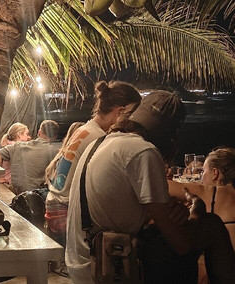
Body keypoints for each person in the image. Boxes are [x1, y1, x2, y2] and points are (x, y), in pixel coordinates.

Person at [66, 90, 235, 284]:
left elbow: (123, 210)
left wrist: (170, 211)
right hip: (107, 268)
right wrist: (196, 209)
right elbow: (180, 244)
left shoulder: (99, 143)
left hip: (80, 262)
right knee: (211, 225)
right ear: (170, 134)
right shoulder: (143, 151)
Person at [45, 81, 141, 246]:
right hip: (65, 216)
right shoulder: (99, 139)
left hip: (54, 207)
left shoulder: (84, 130)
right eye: (133, 114)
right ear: (120, 112)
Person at [168, 146, 235, 283]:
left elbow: (163, 187)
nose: (200, 177)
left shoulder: (215, 193)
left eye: (203, 171)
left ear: (215, 173)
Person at [0, 120, 59, 194]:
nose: (29, 137)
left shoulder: (17, 146)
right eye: (27, 134)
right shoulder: (55, 152)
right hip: (36, 194)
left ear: (39, 132)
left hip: (16, 191)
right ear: (55, 137)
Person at [0, 122, 31, 187]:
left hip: (6, 180)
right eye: (26, 134)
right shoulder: (15, 147)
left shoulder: (10, 145)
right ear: (19, 134)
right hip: (8, 182)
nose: (29, 137)